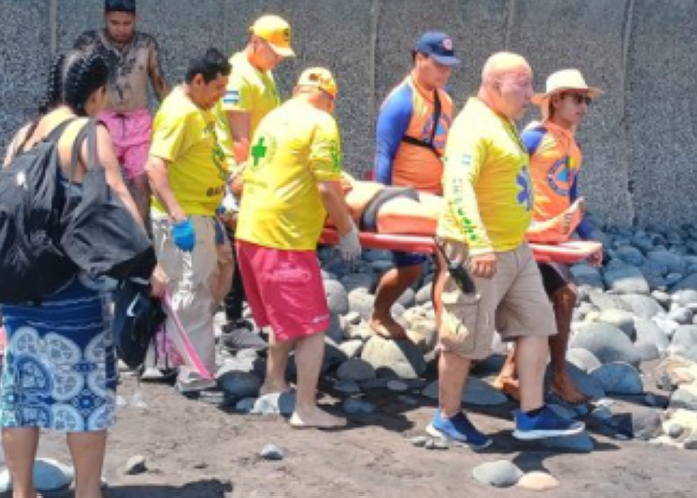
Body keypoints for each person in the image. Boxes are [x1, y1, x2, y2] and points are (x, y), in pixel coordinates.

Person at [0, 50, 145, 498]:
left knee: (22, 391)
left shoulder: (23, 135)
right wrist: (146, 260)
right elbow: (116, 192)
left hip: (20, 283)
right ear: (96, 93)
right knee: (84, 392)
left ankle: (23, 491)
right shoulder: (87, 131)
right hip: (70, 285)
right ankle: (86, 491)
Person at [428, 52, 585, 449]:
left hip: (515, 247)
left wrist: (544, 227)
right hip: (477, 251)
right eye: (524, 84)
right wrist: (478, 243)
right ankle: (446, 417)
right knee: (464, 338)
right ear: (496, 84)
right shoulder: (472, 127)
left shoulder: (504, 123)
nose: (532, 95)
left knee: (537, 323)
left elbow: (507, 188)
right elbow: (458, 186)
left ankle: (531, 413)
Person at [235, 68, 359, 428]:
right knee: (313, 325)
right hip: (284, 237)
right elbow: (326, 188)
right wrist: (347, 228)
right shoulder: (321, 123)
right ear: (329, 99)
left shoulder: (274, 117)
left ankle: (273, 383)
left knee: (283, 315)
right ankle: (306, 408)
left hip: (251, 231)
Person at [493, 69, 603, 405]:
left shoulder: (572, 143)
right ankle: (557, 377)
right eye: (576, 99)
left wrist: (589, 237)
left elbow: (571, 195)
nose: (583, 106)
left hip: (553, 239)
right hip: (526, 236)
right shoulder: (534, 137)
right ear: (556, 101)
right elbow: (503, 175)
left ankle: (511, 372)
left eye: (586, 100)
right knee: (565, 295)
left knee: (546, 299)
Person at [145, 48, 233, 393]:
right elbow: (154, 166)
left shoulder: (200, 107)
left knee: (215, 276)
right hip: (185, 215)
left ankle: (169, 354)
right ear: (198, 81)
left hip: (205, 211)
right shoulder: (180, 114)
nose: (221, 96)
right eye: (218, 88)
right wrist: (178, 216)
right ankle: (197, 373)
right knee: (191, 292)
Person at [370, 31, 458, 340]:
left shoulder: (445, 101)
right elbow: (383, 154)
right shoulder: (401, 102)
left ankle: (447, 334)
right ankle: (379, 314)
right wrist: (379, 203)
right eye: (439, 65)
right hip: (404, 200)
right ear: (419, 59)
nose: (445, 72)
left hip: (436, 198)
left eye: (449, 67)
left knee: (449, 263)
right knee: (411, 270)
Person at [216, 14, 296, 347]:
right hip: (238, 171)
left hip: (261, 171)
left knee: (250, 242)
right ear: (256, 41)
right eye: (273, 49)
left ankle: (250, 314)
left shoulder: (264, 73)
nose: (278, 56)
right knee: (239, 242)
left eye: (282, 51)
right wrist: (241, 179)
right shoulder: (239, 75)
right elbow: (239, 137)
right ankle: (234, 321)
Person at [75, 0, 170, 221]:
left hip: (138, 121)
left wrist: (175, 109)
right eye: (114, 22)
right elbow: (76, 83)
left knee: (141, 181)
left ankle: (138, 238)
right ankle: (100, 232)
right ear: (105, 18)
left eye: (126, 23)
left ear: (135, 19)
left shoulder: (146, 44)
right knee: (99, 179)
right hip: (102, 120)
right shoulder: (89, 42)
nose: (120, 28)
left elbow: (158, 81)